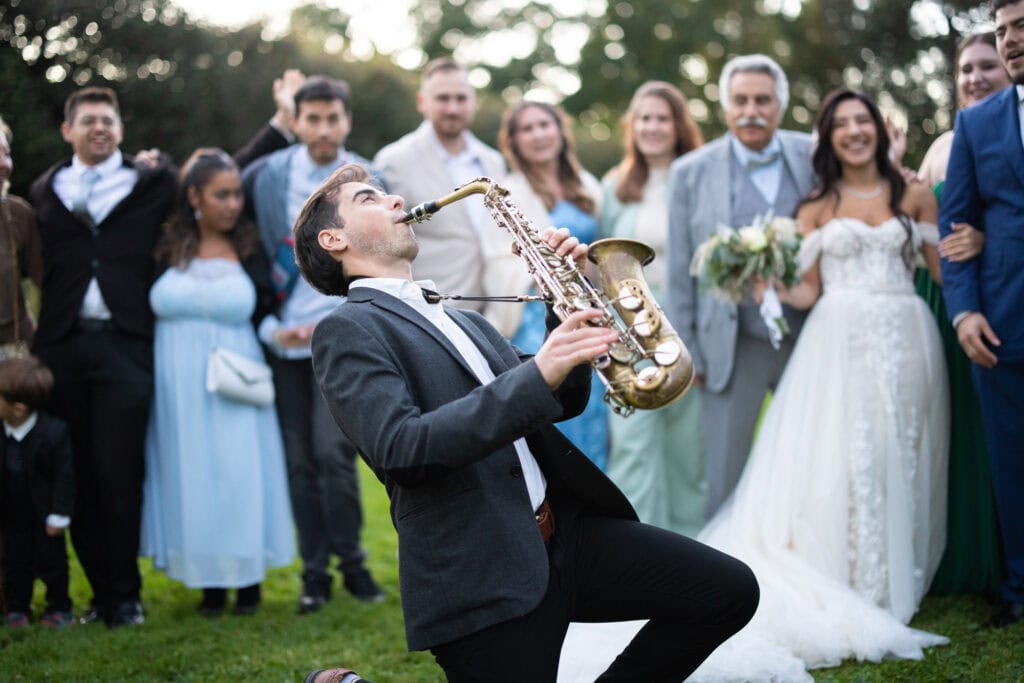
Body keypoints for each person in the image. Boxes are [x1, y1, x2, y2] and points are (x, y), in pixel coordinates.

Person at [296, 163, 758, 681]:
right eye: (369, 199)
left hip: (565, 537)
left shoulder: (463, 318)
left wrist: (565, 306)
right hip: (482, 569)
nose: (396, 199)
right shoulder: (345, 330)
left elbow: (559, 402)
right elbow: (403, 449)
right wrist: (539, 371)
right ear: (333, 238)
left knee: (729, 591)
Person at [562, 88, 950, 682]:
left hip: (907, 336)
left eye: (861, 121)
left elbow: (941, 269)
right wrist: (759, 277)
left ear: (879, 127)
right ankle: (858, 574)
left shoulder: (909, 191)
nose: (853, 132)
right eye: (840, 123)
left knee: (908, 451)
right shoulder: (818, 203)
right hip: (836, 340)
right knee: (846, 457)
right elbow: (806, 289)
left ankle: (910, 568)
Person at [29, 87, 177, 627]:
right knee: (78, 474)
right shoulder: (46, 188)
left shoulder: (153, 180)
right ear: (68, 130)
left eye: (108, 120)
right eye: (88, 120)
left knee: (120, 471)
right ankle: (98, 594)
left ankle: (127, 595)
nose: (99, 127)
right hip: (61, 346)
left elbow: (219, 181)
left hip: (125, 344)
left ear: (120, 128)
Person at [242, 75, 385, 611]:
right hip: (283, 338)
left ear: (346, 121)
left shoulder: (369, 178)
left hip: (343, 334)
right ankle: (313, 575)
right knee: (298, 462)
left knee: (333, 454)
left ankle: (353, 565)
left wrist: (337, 316)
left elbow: (379, 261)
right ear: (295, 121)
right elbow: (225, 179)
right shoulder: (271, 175)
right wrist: (276, 323)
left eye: (333, 118)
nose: (323, 129)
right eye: (313, 118)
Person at [140, 149, 295, 616]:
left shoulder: (249, 248)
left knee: (238, 475)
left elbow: (264, 313)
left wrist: (282, 334)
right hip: (176, 384)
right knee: (190, 476)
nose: (233, 204)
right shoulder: (164, 248)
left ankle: (247, 583)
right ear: (194, 197)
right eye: (221, 195)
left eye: (236, 194)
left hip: (237, 380)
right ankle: (209, 584)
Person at [666, 54, 813, 519]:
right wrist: (688, 349)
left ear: (780, 106)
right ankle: (725, 577)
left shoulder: (814, 155)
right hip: (728, 344)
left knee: (808, 459)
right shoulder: (689, 171)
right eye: (741, 100)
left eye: (763, 100)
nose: (752, 110)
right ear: (726, 106)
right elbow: (680, 271)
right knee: (726, 469)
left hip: (808, 336)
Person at [939, 0, 1024, 628]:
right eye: (1003, 31)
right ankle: (1020, 591)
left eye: (1021, 28)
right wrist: (964, 311)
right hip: (1001, 323)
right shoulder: (978, 124)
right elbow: (955, 226)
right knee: (1011, 464)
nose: (1012, 41)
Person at [914, 32, 1007, 596]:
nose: (973, 77)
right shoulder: (943, 144)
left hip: (998, 299)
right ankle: (957, 557)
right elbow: (923, 219)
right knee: (952, 425)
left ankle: (1002, 556)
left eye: (986, 65)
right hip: (942, 302)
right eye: (965, 68)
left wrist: (988, 239)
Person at [598, 81, 706, 534]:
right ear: (632, 126)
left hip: (685, 327)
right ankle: (638, 550)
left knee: (686, 451)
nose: (652, 126)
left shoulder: (699, 179)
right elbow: (601, 263)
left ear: (678, 125)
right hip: (630, 333)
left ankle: (692, 546)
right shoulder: (614, 186)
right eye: (644, 117)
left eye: (662, 117)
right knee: (633, 447)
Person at [495, 101, 608, 470]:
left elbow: (604, 253)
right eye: (526, 129)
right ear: (513, 141)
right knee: (552, 406)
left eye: (544, 124)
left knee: (591, 409)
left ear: (560, 130)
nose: (538, 134)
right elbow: (495, 258)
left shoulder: (589, 186)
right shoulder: (506, 192)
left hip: (589, 311)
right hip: (536, 319)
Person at [372, 57, 506, 322]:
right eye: (443, 98)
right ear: (423, 102)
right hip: (425, 313)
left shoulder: (494, 161)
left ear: (474, 101)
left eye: (461, 98)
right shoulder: (393, 160)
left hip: (491, 312)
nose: (453, 108)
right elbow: (382, 243)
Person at [0, 355, 74, 629]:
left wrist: (60, 514)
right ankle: (17, 608)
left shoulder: (53, 433)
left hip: (45, 516)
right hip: (12, 514)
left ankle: (59, 607)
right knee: (14, 562)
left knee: (52, 562)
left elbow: (65, 477)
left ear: (18, 408)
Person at [0, 117, 43, 357]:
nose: (3, 164)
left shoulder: (18, 214)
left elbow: (47, 283)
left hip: (12, 356)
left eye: (6, 154)